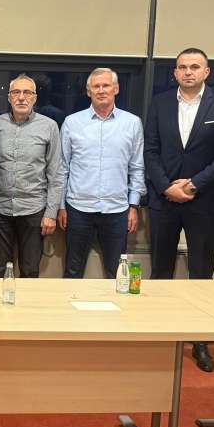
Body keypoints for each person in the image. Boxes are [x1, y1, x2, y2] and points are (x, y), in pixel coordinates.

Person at [145, 47, 214, 372]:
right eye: (182, 67)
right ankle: (159, 337)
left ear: (206, 72)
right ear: (175, 72)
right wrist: (166, 187)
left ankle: (199, 342)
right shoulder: (159, 103)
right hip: (164, 201)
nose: (188, 72)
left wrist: (193, 185)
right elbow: (150, 151)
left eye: (195, 67)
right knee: (160, 271)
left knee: (201, 273)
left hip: (204, 200)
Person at [58, 68, 145, 278]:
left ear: (116, 89)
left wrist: (133, 206)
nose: (101, 90)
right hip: (78, 208)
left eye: (106, 85)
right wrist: (61, 206)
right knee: (72, 271)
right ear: (89, 92)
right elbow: (62, 168)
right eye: (95, 86)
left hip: (117, 210)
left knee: (117, 273)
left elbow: (137, 167)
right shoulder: (72, 122)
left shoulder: (132, 123)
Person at [0, 74, 63, 278]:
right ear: (9, 97)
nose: (21, 97)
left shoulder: (49, 126)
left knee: (30, 271)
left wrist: (51, 213)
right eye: (16, 92)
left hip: (33, 210)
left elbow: (55, 173)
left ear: (35, 98)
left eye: (27, 93)